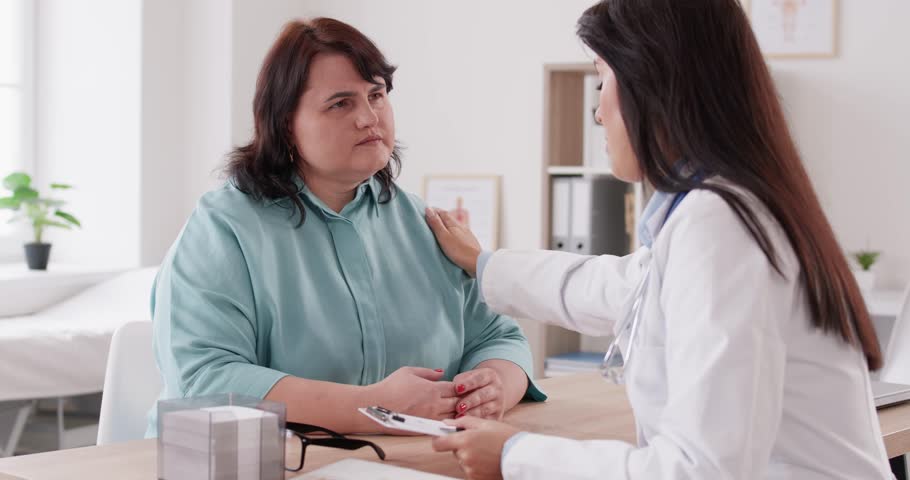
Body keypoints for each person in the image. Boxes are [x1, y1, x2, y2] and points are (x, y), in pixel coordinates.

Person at [428, 0, 891, 478]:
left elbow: (699, 471)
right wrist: (483, 263)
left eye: (602, 78)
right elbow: (615, 286)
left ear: (650, 82)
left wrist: (515, 455)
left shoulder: (720, 223)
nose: (597, 112)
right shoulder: (723, 208)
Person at [147, 17, 544, 436]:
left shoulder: (423, 222)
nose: (369, 117)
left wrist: (495, 384)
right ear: (286, 124)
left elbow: (500, 337)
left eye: (377, 95)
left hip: (405, 461)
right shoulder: (223, 228)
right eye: (341, 103)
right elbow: (205, 383)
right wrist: (372, 407)